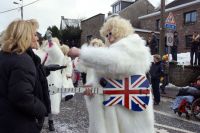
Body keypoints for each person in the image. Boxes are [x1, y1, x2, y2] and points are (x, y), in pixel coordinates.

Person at [68, 16, 154, 133]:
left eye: (111, 33)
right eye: (107, 35)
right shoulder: (114, 50)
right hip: (113, 111)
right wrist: (92, 86)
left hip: (127, 115)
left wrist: (82, 52)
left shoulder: (132, 46)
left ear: (121, 31)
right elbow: (108, 76)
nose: (109, 37)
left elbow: (114, 61)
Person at [0, 19, 48, 133]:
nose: (37, 38)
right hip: (18, 123)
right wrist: (42, 109)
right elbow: (21, 96)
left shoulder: (4, 56)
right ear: (25, 35)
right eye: (34, 34)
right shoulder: (23, 60)